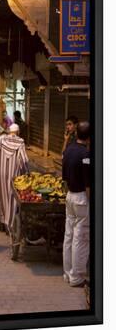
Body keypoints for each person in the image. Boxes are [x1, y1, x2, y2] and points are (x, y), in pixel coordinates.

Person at [62, 121, 90, 287]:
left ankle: (67, 273)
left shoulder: (68, 150)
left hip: (69, 196)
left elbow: (64, 177)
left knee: (69, 235)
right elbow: (87, 184)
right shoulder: (85, 154)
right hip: (80, 198)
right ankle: (77, 277)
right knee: (81, 237)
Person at [0, 123, 29, 234]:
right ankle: (10, 224)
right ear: (17, 132)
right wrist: (27, 173)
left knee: (1, 197)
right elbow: (24, 160)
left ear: (9, 131)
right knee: (12, 198)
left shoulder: (1, 141)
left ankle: (3, 221)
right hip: (14, 175)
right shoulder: (20, 142)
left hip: (0, 174)